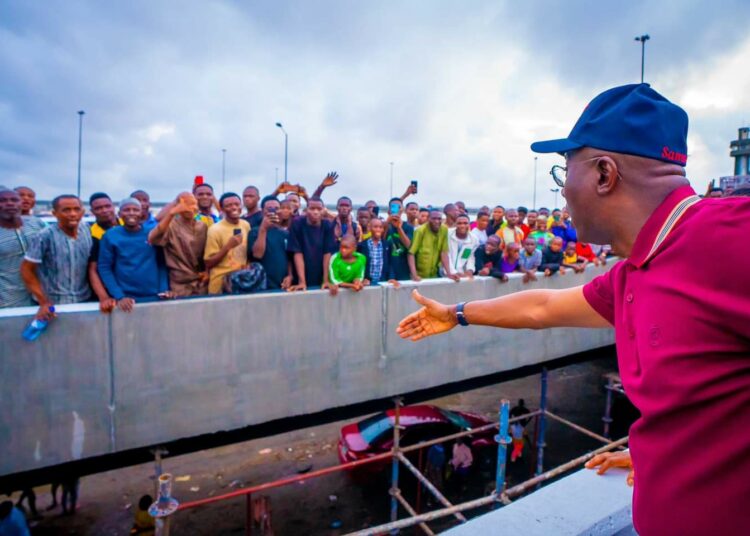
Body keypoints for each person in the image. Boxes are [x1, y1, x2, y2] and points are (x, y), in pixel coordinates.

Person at [397, 83, 750, 536]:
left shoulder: (730, 237)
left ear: (604, 174)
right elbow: (543, 306)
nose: (562, 193)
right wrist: (458, 313)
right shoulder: (637, 270)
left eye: (565, 173)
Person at [21, 195, 92, 320]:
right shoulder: (44, 236)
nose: (73, 214)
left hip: (83, 300)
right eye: (66, 210)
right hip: (53, 305)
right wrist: (43, 301)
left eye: (76, 209)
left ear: (83, 211)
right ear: (55, 213)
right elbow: (26, 269)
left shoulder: (86, 230)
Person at [98, 198, 169, 310]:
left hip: (155, 296)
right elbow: (104, 268)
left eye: (135, 210)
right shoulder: (110, 235)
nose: (131, 213)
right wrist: (119, 296)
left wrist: (163, 289)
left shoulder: (152, 232)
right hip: (126, 299)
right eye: (127, 210)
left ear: (141, 213)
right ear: (119, 214)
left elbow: (161, 263)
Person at [148, 192, 209, 296]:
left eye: (193, 204)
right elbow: (152, 238)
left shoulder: (203, 226)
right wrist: (171, 214)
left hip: (201, 282)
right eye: (185, 204)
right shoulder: (170, 225)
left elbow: (209, 253)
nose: (190, 208)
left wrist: (207, 272)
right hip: (180, 284)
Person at [0, 187, 45, 308]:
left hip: (43, 295)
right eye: (3, 200)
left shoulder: (37, 223)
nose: (9, 203)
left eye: (14, 200)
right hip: (9, 299)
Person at [287, 197, 337, 292]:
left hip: (320, 272)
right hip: (301, 271)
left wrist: (326, 280)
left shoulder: (327, 225)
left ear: (323, 210)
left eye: (319, 209)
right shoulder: (297, 224)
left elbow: (327, 253)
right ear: (306, 210)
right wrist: (302, 281)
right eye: (312, 208)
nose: (315, 212)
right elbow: (297, 252)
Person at [204, 193, 250, 294]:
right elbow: (208, 263)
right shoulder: (215, 230)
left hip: (241, 283)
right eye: (229, 205)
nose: (234, 207)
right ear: (222, 209)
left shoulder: (245, 225)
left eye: (237, 204)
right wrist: (227, 247)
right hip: (220, 286)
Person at [248, 196, 292, 290]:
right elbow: (257, 255)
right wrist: (263, 229)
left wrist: (290, 276)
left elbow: (289, 258)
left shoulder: (285, 233)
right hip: (261, 285)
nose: (273, 211)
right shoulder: (254, 231)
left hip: (282, 285)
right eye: (269, 209)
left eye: (276, 208)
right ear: (262, 211)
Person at [87, 192, 120, 312]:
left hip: (132, 289)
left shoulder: (129, 225)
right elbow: (92, 269)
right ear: (92, 211)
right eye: (98, 208)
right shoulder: (90, 235)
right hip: (108, 291)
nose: (104, 210)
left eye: (107, 206)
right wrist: (103, 297)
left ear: (113, 206)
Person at [408, 210, 455, 281]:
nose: (437, 221)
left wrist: (449, 273)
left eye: (439, 219)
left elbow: (444, 252)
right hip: (419, 274)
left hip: (435, 274)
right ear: (428, 219)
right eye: (434, 219)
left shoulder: (444, 229)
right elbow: (411, 253)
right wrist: (414, 275)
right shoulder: (420, 231)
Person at [383, 198, 414, 281]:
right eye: (393, 207)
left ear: (402, 209)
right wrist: (386, 224)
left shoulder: (408, 227)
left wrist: (399, 228)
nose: (396, 209)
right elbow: (382, 243)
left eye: (398, 207)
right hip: (387, 269)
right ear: (389, 210)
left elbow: (408, 245)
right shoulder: (383, 225)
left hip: (403, 269)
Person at [358, 218, 391, 286]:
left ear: (383, 229)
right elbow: (360, 264)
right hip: (367, 282)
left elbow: (390, 263)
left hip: (382, 281)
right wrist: (363, 278)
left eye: (380, 227)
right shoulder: (362, 245)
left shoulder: (386, 245)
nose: (378, 229)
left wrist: (391, 277)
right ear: (369, 228)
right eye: (375, 227)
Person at [444, 214, 478, 278]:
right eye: (459, 223)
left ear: (469, 224)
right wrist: (453, 272)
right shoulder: (447, 234)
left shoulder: (474, 239)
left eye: (465, 223)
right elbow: (446, 255)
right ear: (455, 224)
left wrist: (470, 270)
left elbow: (470, 256)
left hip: (460, 274)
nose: (462, 226)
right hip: (444, 272)